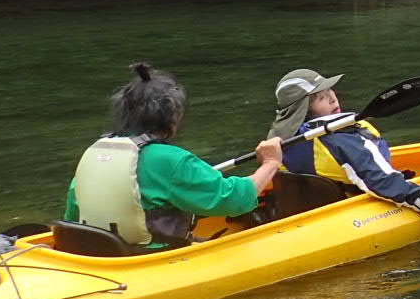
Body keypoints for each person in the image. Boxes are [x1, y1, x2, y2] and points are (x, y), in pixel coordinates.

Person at [65, 62, 283, 248]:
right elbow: (235, 200)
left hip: (102, 253)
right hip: (153, 256)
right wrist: (271, 163)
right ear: (172, 114)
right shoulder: (171, 160)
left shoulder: (95, 152)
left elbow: (73, 217)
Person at [269, 69, 420, 235]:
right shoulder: (343, 138)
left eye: (330, 91)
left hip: (305, 210)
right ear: (303, 111)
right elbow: (381, 180)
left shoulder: (279, 143)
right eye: (322, 98)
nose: (333, 98)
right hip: (348, 212)